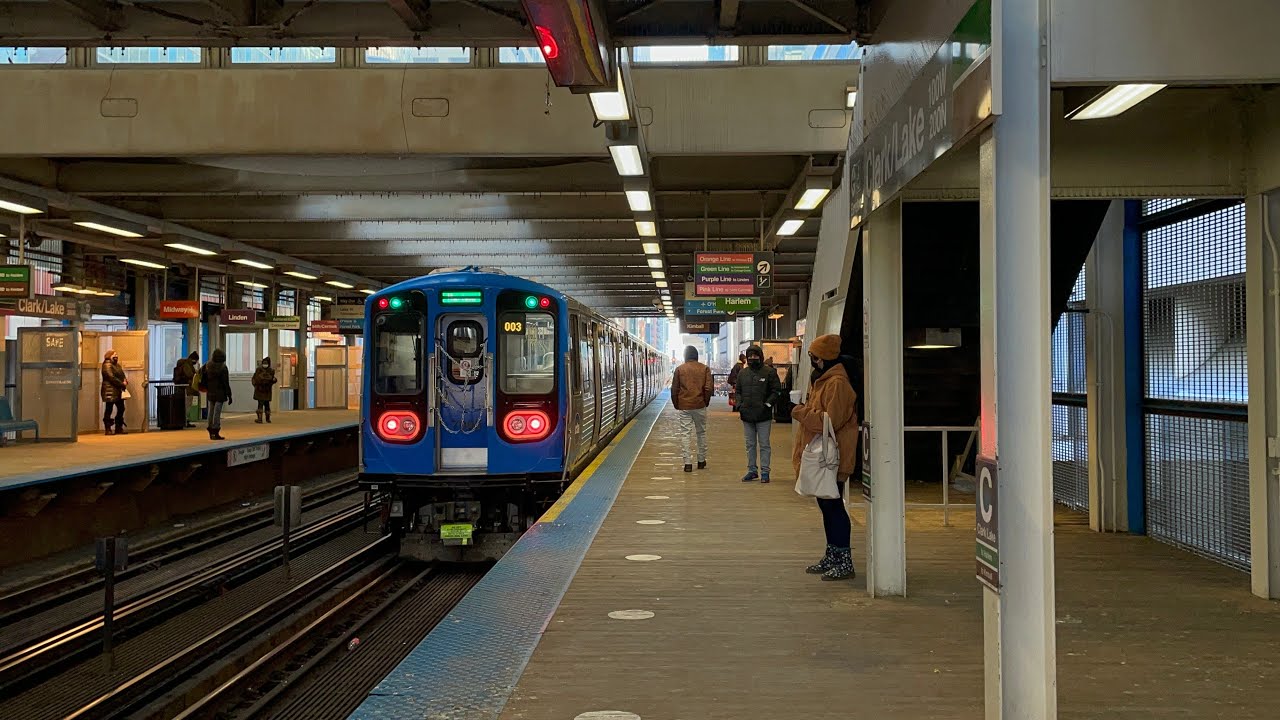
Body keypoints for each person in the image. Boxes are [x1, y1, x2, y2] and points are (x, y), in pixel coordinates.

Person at [791, 333, 859, 581]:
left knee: (834, 506)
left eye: (814, 356)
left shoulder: (837, 383)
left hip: (833, 456)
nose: (813, 361)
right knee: (827, 505)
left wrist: (799, 412)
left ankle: (843, 561)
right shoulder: (824, 380)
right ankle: (832, 555)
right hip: (825, 455)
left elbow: (831, 420)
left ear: (826, 357)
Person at [735, 345, 782, 483]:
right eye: (750, 356)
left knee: (764, 444)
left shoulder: (769, 372)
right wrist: (739, 405)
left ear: (760, 356)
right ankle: (752, 470)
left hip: (763, 415)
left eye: (755, 356)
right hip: (747, 415)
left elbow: (776, 390)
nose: (752, 358)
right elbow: (738, 391)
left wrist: (767, 404)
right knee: (750, 444)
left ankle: (765, 471)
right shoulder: (742, 374)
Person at [671, 345, 713, 473]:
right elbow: (708, 388)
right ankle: (701, 460)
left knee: (685, 433)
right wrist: (705, 402)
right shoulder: (705, 369)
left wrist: (677, 404)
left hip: (684, 405)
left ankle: (687, 463)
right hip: (699, 405)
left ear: (685, 356)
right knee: (701, 433)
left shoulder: (679, 369)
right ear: (696, 356)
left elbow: (674, 389)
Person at [202, 348, 232, 440]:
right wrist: (229, 395)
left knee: (211, 411)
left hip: (210, 392)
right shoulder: (223, 368)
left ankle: (210, 429)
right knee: (217, 412)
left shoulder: (207, 365)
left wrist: (206, 388)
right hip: (220, 392)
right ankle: (216, 430)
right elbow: (225, 383)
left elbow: (203, 379)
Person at [100, 350, 128, 435]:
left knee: (121, 408)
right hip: (109, 391)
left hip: (118, 390)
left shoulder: (117, 365)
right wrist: (121, 383)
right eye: (114, 354)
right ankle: (108, 428)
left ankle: (118, 427)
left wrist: (125, 381)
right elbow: (111, 377)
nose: (116, 356)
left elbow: (122, 375)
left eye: (116, 354)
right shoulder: (107, 365)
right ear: (109, 356)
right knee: (109, 409)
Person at [173, 351, 200, 428]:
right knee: (187, 404)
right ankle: (185, 420)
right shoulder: (187, 365)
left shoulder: (184, 364)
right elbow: (190, 375)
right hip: (187, 388)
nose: (196, 362)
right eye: (196, 360)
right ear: (193, 359)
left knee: (185, 404)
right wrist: (196, 374)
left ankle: (184, 420)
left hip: (182, 387)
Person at [252, 357, 277, 424]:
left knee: (261, 404)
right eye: (264, 363)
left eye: (265, 363)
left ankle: (260, 419)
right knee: (266, 404)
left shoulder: (259, 370)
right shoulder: (271, 371)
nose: (264, 364)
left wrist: (256, 385)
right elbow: (272, 380)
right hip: (266, 390)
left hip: (260, 390)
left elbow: (255, 379)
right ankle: (267, 419)